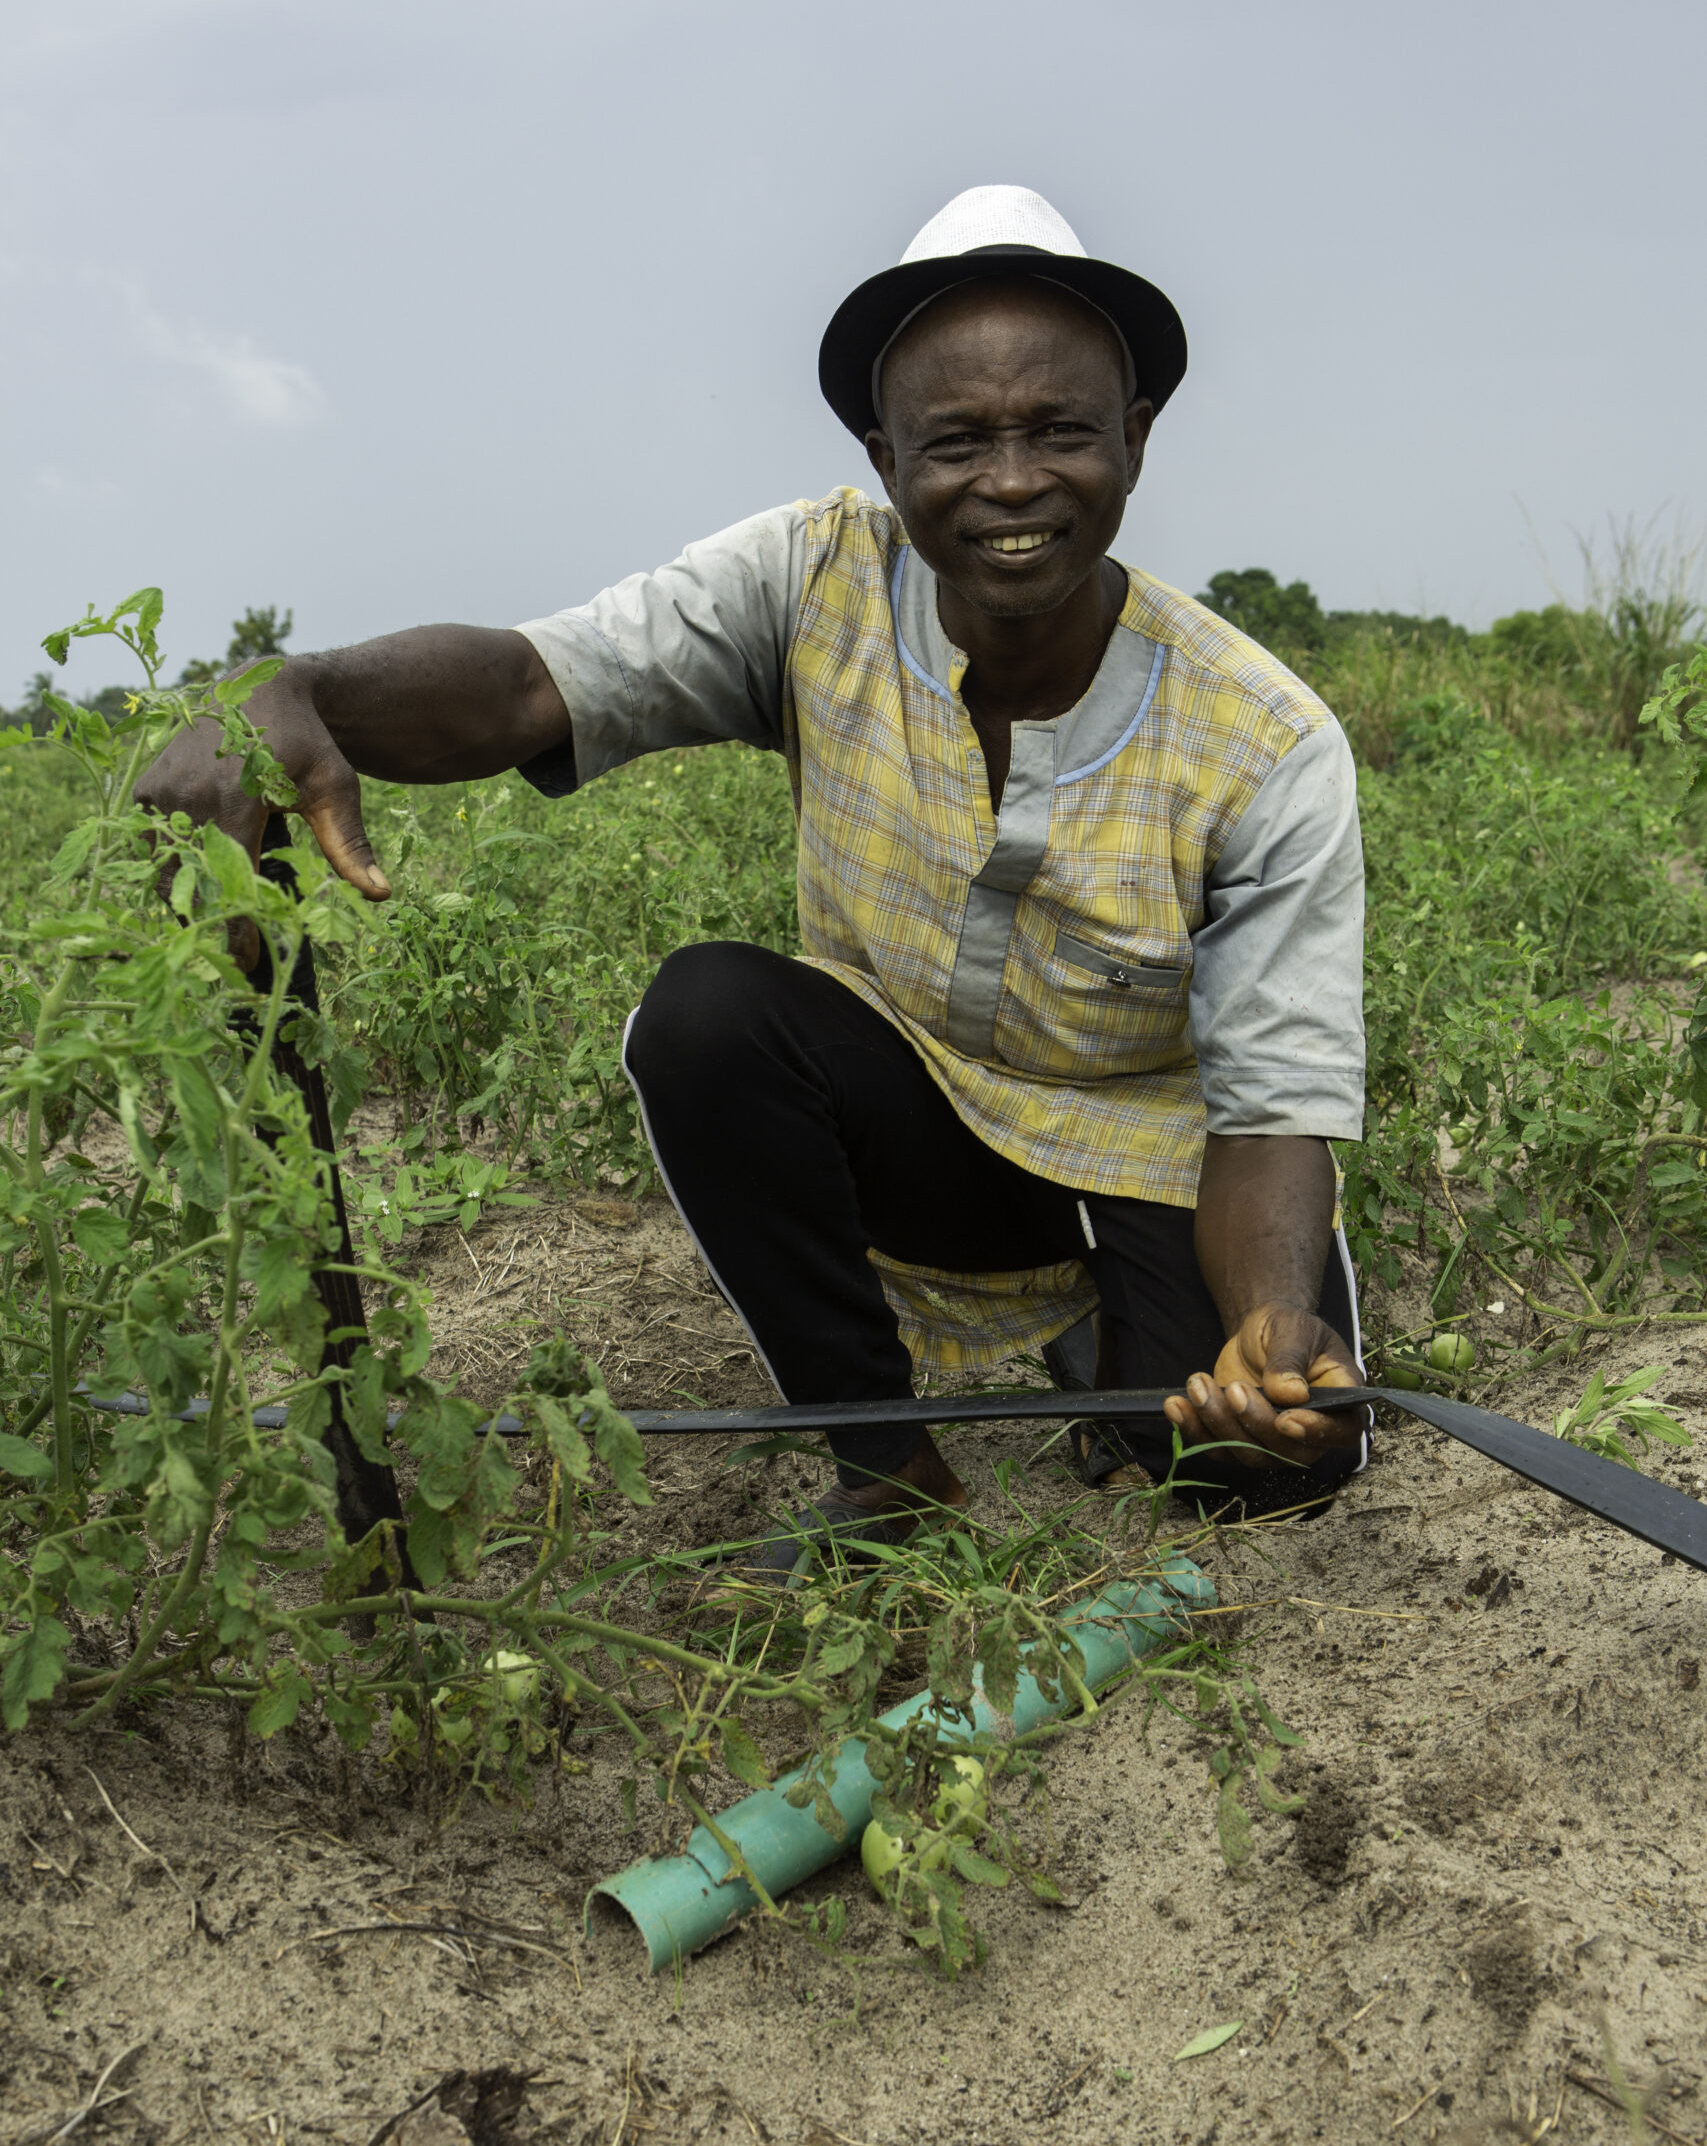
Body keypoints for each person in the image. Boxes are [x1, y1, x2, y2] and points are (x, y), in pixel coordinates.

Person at [139, 185, 1368, 1576]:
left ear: (1134, 440)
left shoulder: (1264, 742)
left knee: (1251, 1471)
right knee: (708, 1020)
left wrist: (1269, 1330)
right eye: (956, 440)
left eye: (1061, 432)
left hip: (1151, 1159)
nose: (1012, 481)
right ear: (884, 455)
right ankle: (887, 1472)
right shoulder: (808, 579)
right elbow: (530, 685)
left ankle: (1124, 1351)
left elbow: (1270, 1105)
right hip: (923, 1114)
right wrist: (289, 693)